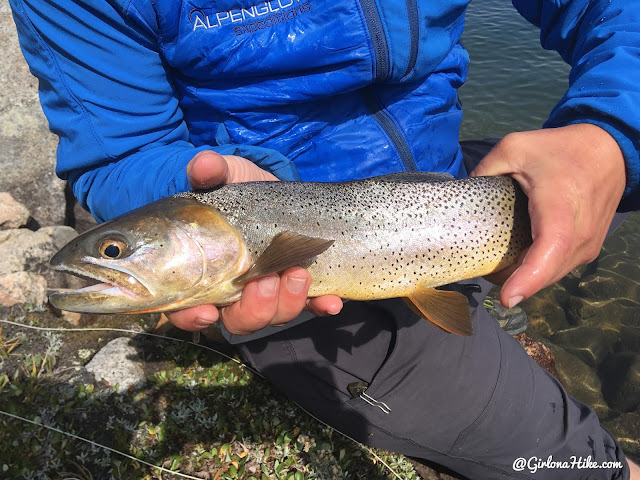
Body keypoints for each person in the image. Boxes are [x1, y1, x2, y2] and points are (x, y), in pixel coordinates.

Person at [8, 0, 640, 478]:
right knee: (579, 462)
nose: (109, 257)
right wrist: (193, 180)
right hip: (321, 258)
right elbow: (118, 154)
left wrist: (610, 133)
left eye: (113, 251)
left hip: (447, 181)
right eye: (116, 252)